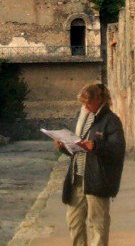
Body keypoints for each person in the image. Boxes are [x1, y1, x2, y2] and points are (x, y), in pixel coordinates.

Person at [55, 82, 125, 246]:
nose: (85, 106)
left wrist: (96, 146)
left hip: (97, 179)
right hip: (77, 178)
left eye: (88, 102)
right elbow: (75, 147)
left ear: (100, 100)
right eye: (83, 102)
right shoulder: (81, 117)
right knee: (74, 222)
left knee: (98, 225)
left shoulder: (111, 121)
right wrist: (64, 147)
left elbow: (117, 150)